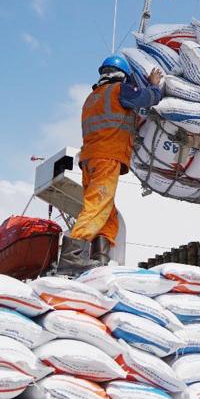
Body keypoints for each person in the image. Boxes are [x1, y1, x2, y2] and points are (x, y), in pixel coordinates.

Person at [61, 55, 163, 273]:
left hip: (89, 160)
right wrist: (154, 86)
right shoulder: (119, 90)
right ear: (122, 76)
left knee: (108, 211)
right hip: (107, 157)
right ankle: (71, 258)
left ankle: (100, 258)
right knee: (97, 206)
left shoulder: (92, 98)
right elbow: (145, 99)